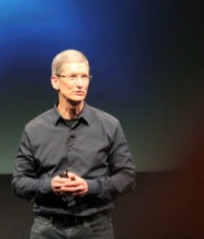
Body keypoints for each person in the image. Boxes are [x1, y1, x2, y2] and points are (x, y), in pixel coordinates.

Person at [12, 49, 136, 239]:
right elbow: (19, 182)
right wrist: (50, 186)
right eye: (72, 77)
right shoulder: (34, 129)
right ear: (55, 81)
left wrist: (90, 187)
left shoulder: (109, 125)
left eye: (84, 77)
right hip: (48, 228)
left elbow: (127, 177)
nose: (80, 84)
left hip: (95, 228)